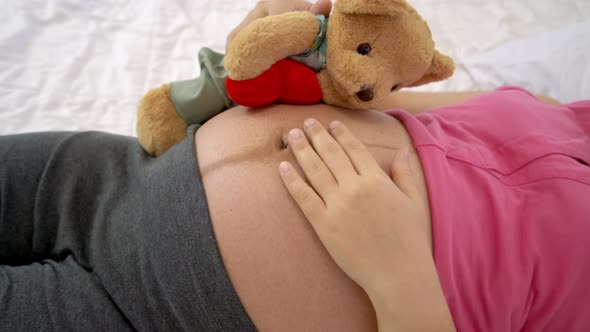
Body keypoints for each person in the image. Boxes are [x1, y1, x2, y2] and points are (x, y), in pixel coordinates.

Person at [1, 1, 589, 332]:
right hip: (121, 176)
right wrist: (265, 66)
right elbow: (372, 100)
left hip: (158, 312)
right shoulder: (561, 112)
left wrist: (398, 275)